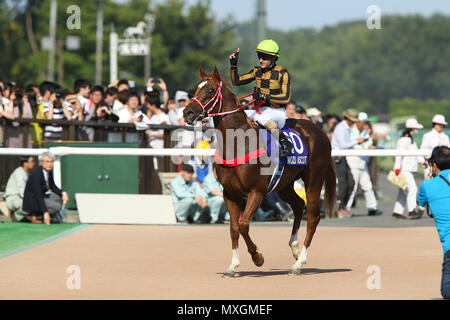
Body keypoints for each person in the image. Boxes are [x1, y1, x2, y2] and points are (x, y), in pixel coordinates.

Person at [229, 39, 292, 157]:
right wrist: (233, 65)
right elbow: (236, 81)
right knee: (235, 114)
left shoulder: (283, 73)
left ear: (274, 58)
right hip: (260, 111)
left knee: (260, 118)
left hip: (278, 113)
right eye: (259, 56)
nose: (261, 59)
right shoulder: (256, 71)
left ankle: (285, 142)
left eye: (264, 57)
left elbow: (286, 98)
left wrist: (266, 97)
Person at [417, 146, 450, 299]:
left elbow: (420, 201)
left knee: (446, 292)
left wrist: (430, 178)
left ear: (434, 165)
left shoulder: (427, 185)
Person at [331, 109, 367, 218]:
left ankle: (343, 206)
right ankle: (339, 207)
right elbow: (343, 145)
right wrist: (357, 141)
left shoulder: (345, 128)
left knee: (351, 182)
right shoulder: (342, 128)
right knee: (343, 183)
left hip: (342, 157)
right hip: (338, 157)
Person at [345, 112, 382, 216]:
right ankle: (346, 208)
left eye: (366, 122)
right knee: (353, 187)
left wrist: (377, 148)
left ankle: (372, 208)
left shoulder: (365, 133)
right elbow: (351, 146)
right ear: (358, 122)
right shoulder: (351, 132)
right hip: (353, 162)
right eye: (364, 122)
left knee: (368, 186)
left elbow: (369, 144)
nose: (365, 124)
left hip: (362, 163)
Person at [392, 118, 427, 219]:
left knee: (403, 191)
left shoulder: (409, 140)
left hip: (407, 169)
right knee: (412, 188)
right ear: (413, 129)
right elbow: (399, 154)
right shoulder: (406, 140)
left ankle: (397, 212)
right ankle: (412, 211)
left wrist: (423, 162)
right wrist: (397, 167)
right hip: (404, 169)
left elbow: (416, 154)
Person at [23, 152, 69, 224]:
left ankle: (51, 216)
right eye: (47, 161)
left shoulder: (48, 171)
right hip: (33, 201)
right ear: (41, 162)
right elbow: (38, 195)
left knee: (59, 197)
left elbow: (52, 187)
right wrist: (45, 212)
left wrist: (63, 193)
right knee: (57, 207)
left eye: (51, 162)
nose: (49, 164)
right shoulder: (37, 174)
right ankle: (38, 215)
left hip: (42, 197)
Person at [4, 156, 36, 222]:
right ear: (25, 163)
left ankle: (22, 217)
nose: (34, 163)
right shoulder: (19, 172)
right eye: (32, 161)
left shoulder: (27, 173)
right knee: (32, 203)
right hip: (13, 199)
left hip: (19, 199)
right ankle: (16, 216)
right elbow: (22, 190)